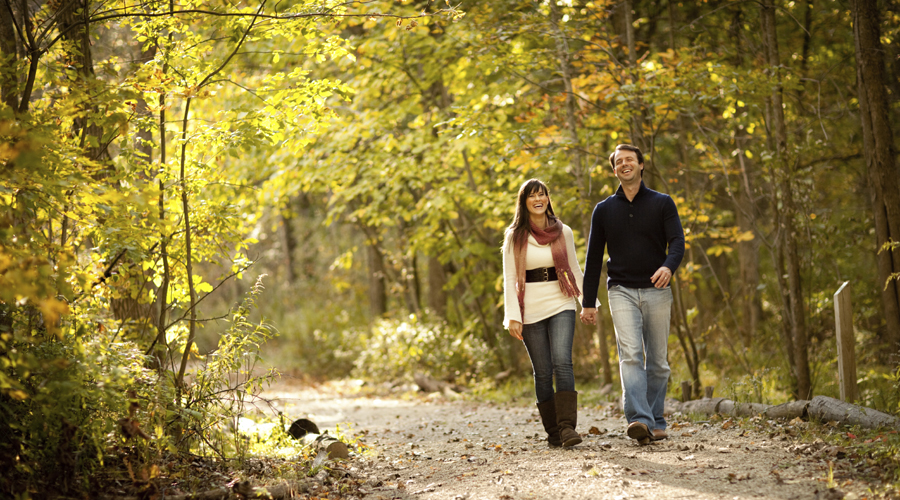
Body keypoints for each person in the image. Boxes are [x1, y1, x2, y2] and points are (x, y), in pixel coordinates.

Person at [580, 144, 685, 445]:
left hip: (657, 289)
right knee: (630, 356)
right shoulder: (603, 210)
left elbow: (677, 241)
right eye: (619, 162)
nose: (625, 165)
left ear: (641, 165)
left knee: (659, 361)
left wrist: (668, 266)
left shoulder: (662, 203)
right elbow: (593, 257)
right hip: (621, 290)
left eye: (630, 160)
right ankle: (639, 419)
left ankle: (657, 419)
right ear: (614, 170)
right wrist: (588, 302)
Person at [502, 178, 589, 448]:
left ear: (548, 199)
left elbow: (574, 269)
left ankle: (567, 428)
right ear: (524, 201)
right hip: (530, 308)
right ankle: (553, 431)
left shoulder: (564, 232)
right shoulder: (515, 236)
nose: (538, 199)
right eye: (532, 195)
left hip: (561, 301)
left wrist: (588, 301)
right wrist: (512, 316)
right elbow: (509, 278)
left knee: (562, 361)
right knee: (542, 371)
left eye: (542, 194)